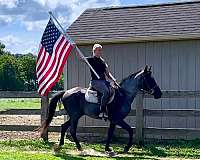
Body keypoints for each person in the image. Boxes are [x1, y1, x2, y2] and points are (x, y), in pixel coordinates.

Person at [76, 44, 119, 118]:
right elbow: (80, 58)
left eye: (100, 50)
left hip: (104, 81)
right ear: (94, 51)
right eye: (98, 50)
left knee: (115, 89)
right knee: (106, 91)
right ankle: (102, 111)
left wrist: (113, 79)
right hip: (95, 82)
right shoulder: (91, 59)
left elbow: (107, 73)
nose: (100, 52)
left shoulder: (102, 61)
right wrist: (75, 48)